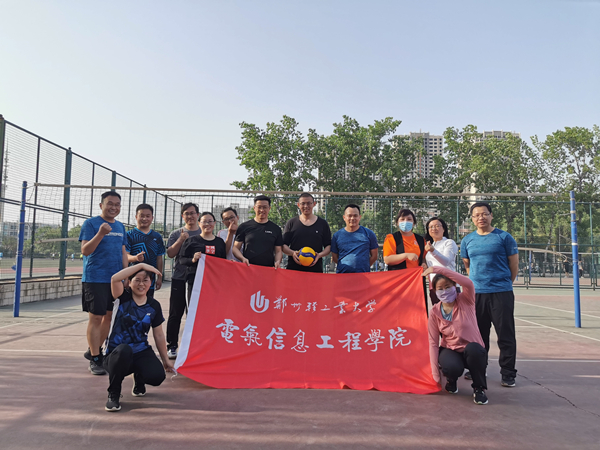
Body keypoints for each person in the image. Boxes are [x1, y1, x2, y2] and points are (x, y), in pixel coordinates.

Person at [461, 202, 519, 388]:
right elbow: (468, 266)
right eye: (477, 215)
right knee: (478, 336)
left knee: (505, 335)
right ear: (472, 219)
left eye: (484, 214)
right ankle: (478, 368)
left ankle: (508, 373)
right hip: (477, 295)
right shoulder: (467, 240)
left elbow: (514, 265)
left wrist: (504, 283)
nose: (481, 217)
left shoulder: (504, 237)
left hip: (501, 293)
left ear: (491, 215)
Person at [104, 263, 174, 412]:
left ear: (151, 283)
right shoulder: (122, 297)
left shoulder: (154, 306)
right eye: (137, 280)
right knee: (123, 350)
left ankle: (139, 377)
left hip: (140, 350)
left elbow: (159, 334)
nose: (141, 284)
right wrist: (141, 265)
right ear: (129, 282)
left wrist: (165, 360)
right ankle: (114, 393)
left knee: (157, 377)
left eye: (145, 280)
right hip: (117, 353)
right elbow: (115, 278)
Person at [424, 266, 489, 405]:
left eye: (448, 287)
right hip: (450, 349)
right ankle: (451, 380)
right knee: (450, 366)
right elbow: (433, 343)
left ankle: (479, 388)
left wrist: (438, 270)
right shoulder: (435, 312)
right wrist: (435, 374)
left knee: (475, 350)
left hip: (471, 350)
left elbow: (468, 283)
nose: (444, 291)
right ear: (435, 291)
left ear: (455, 286)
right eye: (440, 288)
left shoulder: (466, 300)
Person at [79, 191, 128, 375]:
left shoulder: (121, 227)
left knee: (109, 317)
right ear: (101, 205)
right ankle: (96, 358)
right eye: (110, 203)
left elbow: (123, 252)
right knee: (96, 317)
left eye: (117, 204)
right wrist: (100, 233)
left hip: (114, 279)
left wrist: (125, 275)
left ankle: (94, 350)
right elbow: (85, 250)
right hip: (95, 278)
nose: (113, 207)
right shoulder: (91, 224)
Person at [165, 203, 201, 360]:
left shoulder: (203, 233)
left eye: (193, 213)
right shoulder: (176, 233)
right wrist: (180, 239)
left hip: (198, 280)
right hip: (179, 278)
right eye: (187, 213)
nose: (190, 216)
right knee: (175, 313)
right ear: (182, 216)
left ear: (198, 215)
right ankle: (172, 345)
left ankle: (194, 346)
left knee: (195, 314)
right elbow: (170, 253)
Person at [383, 209, 427, 309]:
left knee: (418, 309)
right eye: (402, 219)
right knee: (399, 309)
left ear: (414, 223)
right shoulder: (392, 238)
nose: (405, 222)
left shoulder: (421, 240)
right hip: (398, 282)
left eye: (409, 219)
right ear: (397, 223)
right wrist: (405, 255)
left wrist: (424, 264)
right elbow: (387, 259)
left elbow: (423, 257)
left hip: (416, 281)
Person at [179, 212, 227, 297]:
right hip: (195, 281)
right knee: (195, 304)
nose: (207, 224)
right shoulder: (191, 241)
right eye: (204, 221)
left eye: (210, 221)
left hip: (214, 282)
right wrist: (193, 259)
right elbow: (182, 260)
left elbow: (223, 262)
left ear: (214, 223)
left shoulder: (220, 242)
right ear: (199, 223)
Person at [283, 192, 332, 273]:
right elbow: (284, 245)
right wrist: (292, 253)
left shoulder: (322, 224)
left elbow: (328, 246)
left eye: (309, 203)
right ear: (298, 205)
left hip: (315, 271)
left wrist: (319, 255)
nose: (306, 206)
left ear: (314, 204)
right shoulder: (291, 223)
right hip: (293, 270)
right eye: (303, 203)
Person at [126, 204, 166, 299]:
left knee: (148, 304)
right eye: (142, 216)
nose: (144, 219)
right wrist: (135, 258)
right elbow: (125, 256)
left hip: (149, 280)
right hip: (133, 279)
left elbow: (159, 258)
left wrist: (159, 277)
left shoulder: (157, 237)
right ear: (136, 217)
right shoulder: (129, 235)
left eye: (148, 216)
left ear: (152, 218)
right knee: (131, 305)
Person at [233, 195, 283, 268]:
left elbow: (278, 251)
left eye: (265, 207)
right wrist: (242, 258)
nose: (262, 210)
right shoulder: (244, 226)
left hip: (268, 269)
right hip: (248, 268)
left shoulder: (276, 229)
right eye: (259, 207)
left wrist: (277, 261)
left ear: (269, 208)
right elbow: (235, 248)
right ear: (254, 208)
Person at [330, 204, 378, 273]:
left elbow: (374, 256)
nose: (352, 218)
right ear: (344, 217)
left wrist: (363, 267)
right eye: (349, 216)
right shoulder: (336, 236)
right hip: (342, 275)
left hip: (363, 276)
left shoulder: (369, 234)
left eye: (355, 216)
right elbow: (335, 258)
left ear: (359, 217)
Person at [424, 217, 459, 305]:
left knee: (453, 312)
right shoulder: (430, 245)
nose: (434, 229)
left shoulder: (449, 242)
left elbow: (446, 261)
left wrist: (433, 250)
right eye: (431, 227)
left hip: (448, 285)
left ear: (443, 228)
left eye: (437, 226)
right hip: (435, 287)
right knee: (438, 312)